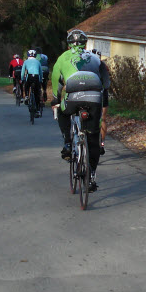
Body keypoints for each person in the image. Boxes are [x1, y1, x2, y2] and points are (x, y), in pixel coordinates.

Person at [51, 30, 110, 192]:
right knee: (93, 137)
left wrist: (55, 99)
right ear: (85, 43)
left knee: (63, 111)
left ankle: (68, 144)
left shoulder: (63, 57)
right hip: (94, 96)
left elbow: (56, 80)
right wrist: (102, 102)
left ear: (69, 44)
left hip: (73, 96)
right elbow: (106, 83)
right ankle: (91, 177)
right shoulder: (95, 58)